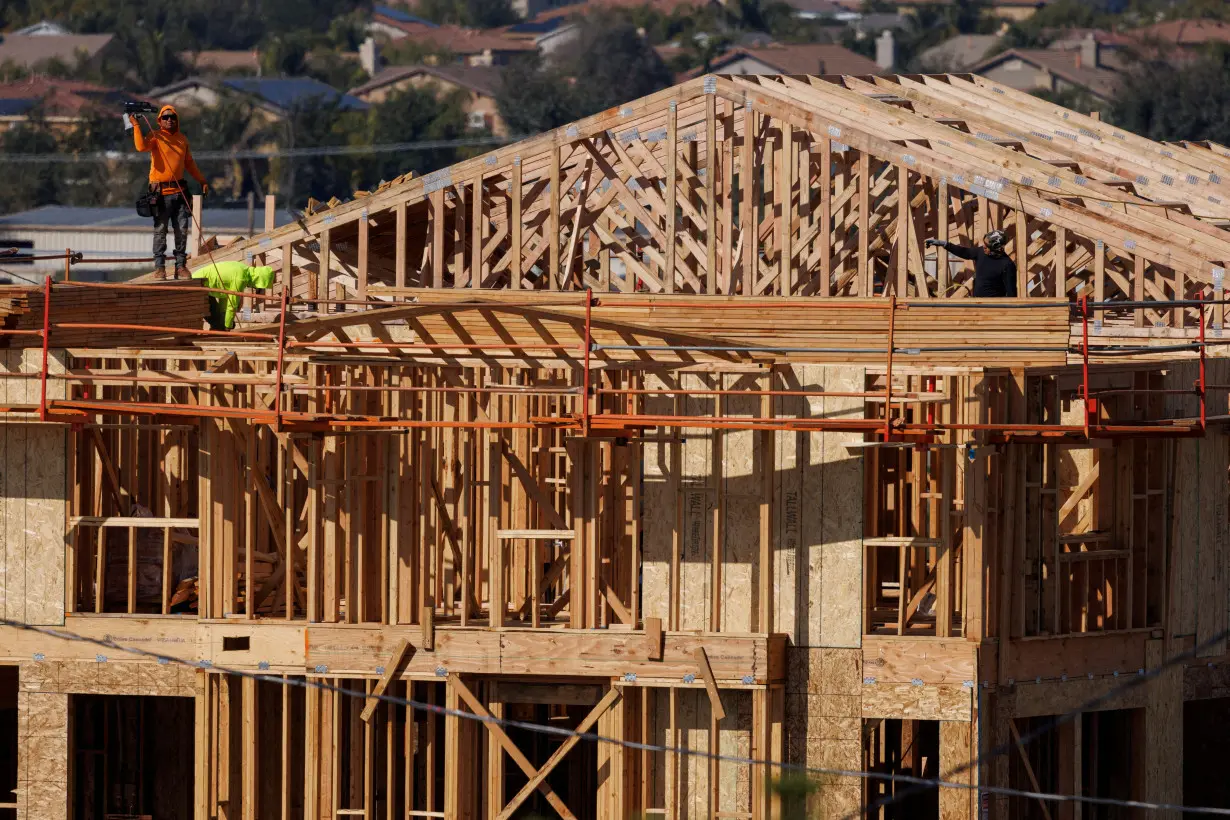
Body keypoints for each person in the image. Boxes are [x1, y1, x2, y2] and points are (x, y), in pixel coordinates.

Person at [130, 104, 208, 280]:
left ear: (176, 120)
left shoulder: (182, 140)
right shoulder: (156, 136)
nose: (169, 120)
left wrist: (202, 180)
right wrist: (136, 125)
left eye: (172, 117)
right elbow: (141, 147)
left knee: (181, 229)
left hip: (179, 191)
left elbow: (189, 164)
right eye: (165, 117)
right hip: (160, 193)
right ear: (160, 120)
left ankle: (180, 266)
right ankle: (160, 268)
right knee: (161, 230)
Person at [925, 230, 1018, 297]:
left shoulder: (1007, 265)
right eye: (984, 243)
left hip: (994, 308)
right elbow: (965, 252)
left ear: (996, 248)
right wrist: (944, 244)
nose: (983, 246)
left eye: (987, 246)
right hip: (977, 304)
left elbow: (1011, 293)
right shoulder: (981, 252)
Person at [191, 261, 275, 330]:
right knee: (217, 321)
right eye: (257, 286)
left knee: (220, 320)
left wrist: (224, 317)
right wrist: (227, 326)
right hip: (197, 284)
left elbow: (224, 295)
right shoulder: (240, 278)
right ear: (258, 280)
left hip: (202, 283)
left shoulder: (243, 270)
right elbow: (232, 304)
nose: (254, 288)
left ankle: (217, 330)